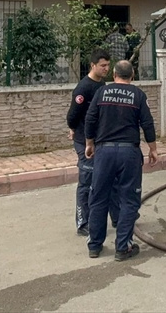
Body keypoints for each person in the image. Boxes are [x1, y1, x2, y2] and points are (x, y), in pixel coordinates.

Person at [84, 60, 159, 261]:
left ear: (114, 75)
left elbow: (90, 119)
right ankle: (123, 248)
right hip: (129, 153)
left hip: (104, 152)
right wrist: (153, 149)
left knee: (98, 198)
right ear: (132, 76)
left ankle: (94, 246)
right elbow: (147, 124)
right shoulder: (138, 95)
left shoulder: (101, 92)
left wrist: (89, 143)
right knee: (129, 200)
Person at [66, 49, 117, 237]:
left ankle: (117, 217)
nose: (106, 68)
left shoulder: (101, 84)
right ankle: (83, 223)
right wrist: (74, 129)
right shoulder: (83, 88)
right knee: (86, 181)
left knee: (109, 178)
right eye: (103, 65)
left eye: (108, 65)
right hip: (84, 141)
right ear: (92, 65)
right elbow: (72, 116)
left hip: (100, 140)